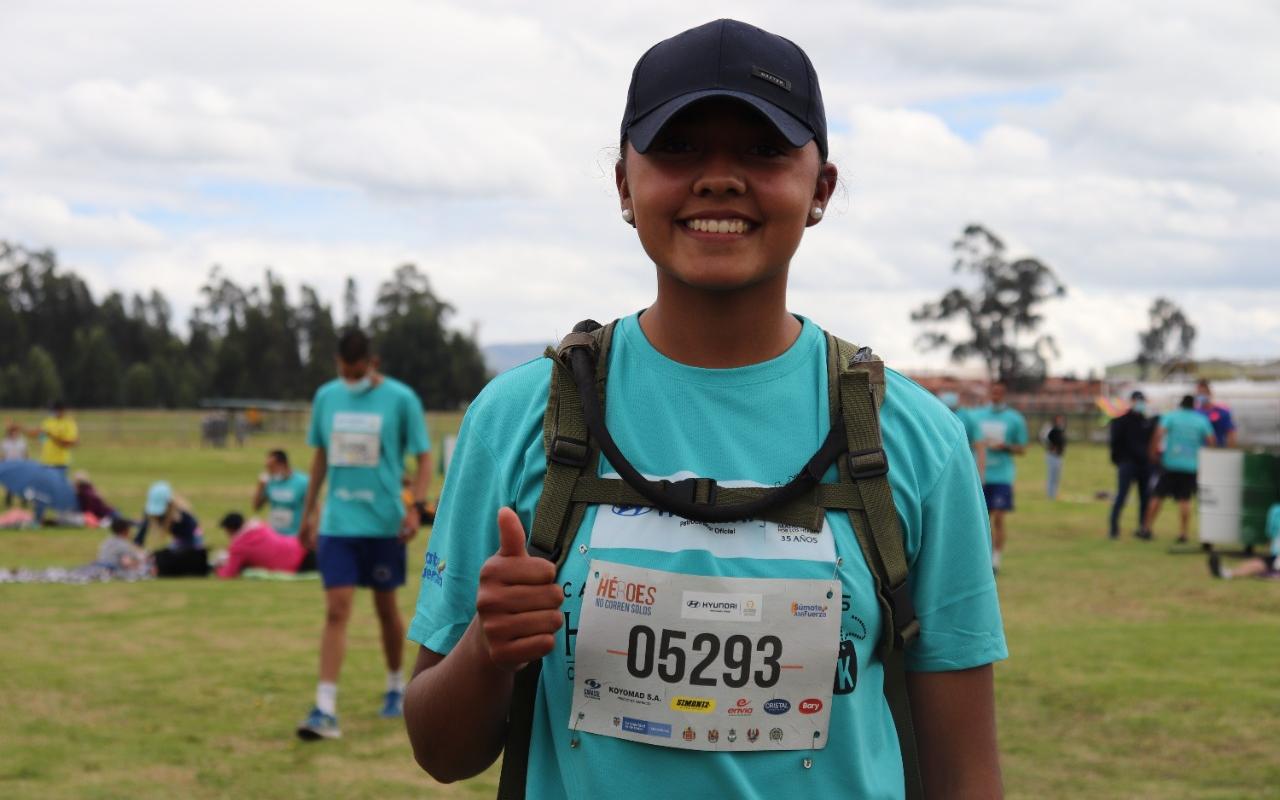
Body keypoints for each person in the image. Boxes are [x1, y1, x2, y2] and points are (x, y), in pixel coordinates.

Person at [402, 20, 1005, 799]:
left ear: (821, 189)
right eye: (678, 149)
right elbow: (440, 751)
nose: (719, 180)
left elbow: (966, 773)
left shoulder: (913, 438)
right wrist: (488, 648)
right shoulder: (521, 417)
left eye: (763, 151)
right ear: (624, 184)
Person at [295, 328, 432, 741]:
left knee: (386, 609)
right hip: (339, 523)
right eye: (344, 370)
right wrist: (309, 512)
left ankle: (395, 687)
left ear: (371, 363)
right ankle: (325, 708)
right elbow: (320, 456)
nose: (350, 378)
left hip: (383, 524)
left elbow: (424, 457)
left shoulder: (401, 399)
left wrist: (415, 506)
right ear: (338, 364)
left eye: (357, 371)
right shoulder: (326, 397)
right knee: (337, 610)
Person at [969, 381, 1028, 573]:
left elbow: (1022, 448)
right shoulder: (976, 416)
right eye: (993, 393)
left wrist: (1005, 447)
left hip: (1002, 475)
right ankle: (981, 558)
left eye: (999, 393)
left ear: (1004, 395)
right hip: (980, 474)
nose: (996, 396)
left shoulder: (1014, 419)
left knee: (999, 517)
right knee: (981, 519)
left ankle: (996, 559)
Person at [1143, 395, 1216, 543]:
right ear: (1194, 405)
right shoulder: (1201, 420)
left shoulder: (1171, 417)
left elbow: (1158, 434)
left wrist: (1152, 452)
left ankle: (1146, 528)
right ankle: (1183, 533)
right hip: (1191, 466)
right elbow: (1211, 440)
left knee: (1158, 495)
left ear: (1180, 405)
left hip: (1170, 463)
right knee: (1185, 499)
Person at [1108, 390, 1156, 540]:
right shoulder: (1122, 421)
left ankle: (1143, 528)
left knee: (1145, 498)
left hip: (1144, 465)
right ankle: (1114, 528)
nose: (1140, 404)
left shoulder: (1146, 422)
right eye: (1137, 401)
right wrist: (1118, 460)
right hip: (1127, 464)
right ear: (1132, 401)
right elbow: (1115, 442)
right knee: (1121, 496)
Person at [215, 512, 316, 578]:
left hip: (296, 565)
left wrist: (217, 568)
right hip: (302, 547)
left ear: (230, 529)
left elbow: (228, 574)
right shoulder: (260, 527)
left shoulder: (239, 547)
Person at [1208, 501, 1280, 580]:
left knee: (1261, 564)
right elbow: (1271, 534)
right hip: (1276, 556)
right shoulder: (1276, 510)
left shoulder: (1276, 510)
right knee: (1258, 563)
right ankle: (1227, 573)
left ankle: (1227, 573)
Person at [252, 450, 309, 536]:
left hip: (295, 535)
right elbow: (256, 506)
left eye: (271, 467)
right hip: (275, 536)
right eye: (267, 468)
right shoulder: (270, 482)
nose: (269, 471)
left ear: (282, 464)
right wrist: (260, 486)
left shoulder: (303, 482)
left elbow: (314, 508)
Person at [135, 481, 204, 551]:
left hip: (191, 537)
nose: (157, 514)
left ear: (169, 503)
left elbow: (190, 540)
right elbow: (140, 535)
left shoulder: (182, 516)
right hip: (178, 538)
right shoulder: (149, 511)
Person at [24, 400, 78, 472]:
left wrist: (51, 435)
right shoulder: (48, 421)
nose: (55, 412)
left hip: (60, 463)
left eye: (57, 410)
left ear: (63, 410)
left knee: (58, 483)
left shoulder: (69, 423)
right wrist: (21, 428)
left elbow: (68, 443)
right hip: (46, 461)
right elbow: (38, 435)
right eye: (54, 410)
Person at [1195, 378, 1237, 448]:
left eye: (1203, 393)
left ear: (1209, 394)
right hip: (1200, 450)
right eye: (1199, 393)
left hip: (1218, 448)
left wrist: (1230, 449)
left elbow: (1231, 432)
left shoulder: (1222, 412)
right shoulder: (1195, 413)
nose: (1201, 396)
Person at [2, 422, 28, 507]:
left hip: (20, 466)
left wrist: (26, 464)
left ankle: (24, 500)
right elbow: (3, 455)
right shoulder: (5, 442)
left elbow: (25, 454)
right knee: (9, 485)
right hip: (9, 466)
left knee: (22, 483)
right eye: (12, 431)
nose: (14, 433)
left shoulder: (22, 442)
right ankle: (8, 501)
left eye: (16, 431)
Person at [1043, 414, 1067, 500]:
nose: (1060, 421)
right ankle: (1050, 495)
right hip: (1053, 456)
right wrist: (1052, 448)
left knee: (1057, 477)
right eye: (1058, 420)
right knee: (1052, 476)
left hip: (1059, 456)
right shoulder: (1052, 430)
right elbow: (1046, 440)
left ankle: (1054, 493)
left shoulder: (1060, 430)